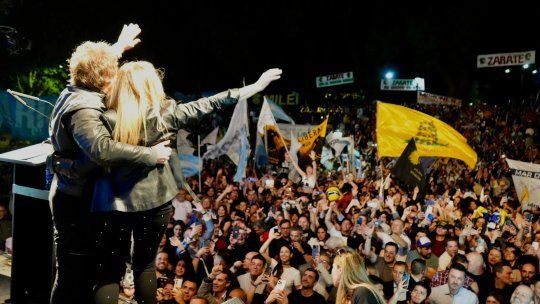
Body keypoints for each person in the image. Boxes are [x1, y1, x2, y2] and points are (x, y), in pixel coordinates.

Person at [92, 61, 281, 303]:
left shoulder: (106, 118)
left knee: (109, 266)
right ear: (152, 86)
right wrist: (256, 86)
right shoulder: (165, 115)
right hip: (155, 201)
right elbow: (211, 103)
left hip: (114, 202)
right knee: (146, 264)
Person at [47, 24, 173, 304]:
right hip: (75, 203)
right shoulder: (85, 111)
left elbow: (94, 68)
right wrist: (151, 155)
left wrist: (118, 46)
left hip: (74, 192)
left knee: (86, 272)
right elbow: (102, 150)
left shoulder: (78, 88)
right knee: (71, 274)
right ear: (105, 79)